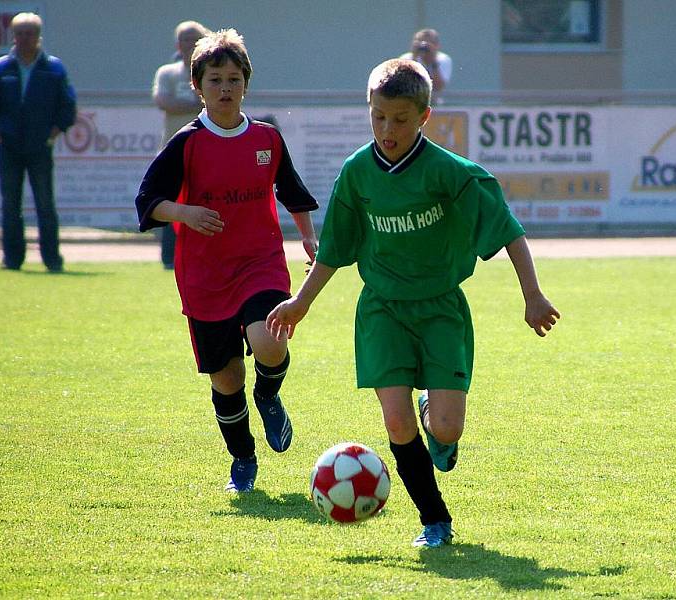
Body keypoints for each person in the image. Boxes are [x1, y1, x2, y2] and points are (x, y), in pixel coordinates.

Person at [266, 59, 559, 548]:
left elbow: (509, 231)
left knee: (446, 427)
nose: (387, 129)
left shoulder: (452, 174)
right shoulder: (358, 173)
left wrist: (533, 296)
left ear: (424, 117)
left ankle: (435, 417)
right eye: (378, 116)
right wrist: (301, 301)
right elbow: (336, 249)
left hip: (442, 309)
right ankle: (434, 520)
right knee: (395, 419)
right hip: (382, 309)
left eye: (400, 119)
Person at [135, 29, 319, 493]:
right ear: (197, 86)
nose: (224, 88)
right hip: (205, 275)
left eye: (233, 79)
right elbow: (147, 200)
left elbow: (292, 192)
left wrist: (309, 238)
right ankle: (243, 458)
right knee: (226, 377)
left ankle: (269, 393)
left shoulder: (267, 138)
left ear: (246, 84)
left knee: (270, 342)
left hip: (260, 262)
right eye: (215, 79)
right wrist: (184, 212)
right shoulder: (187, 142)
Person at [0, 12, 76, 272]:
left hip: (40, 146)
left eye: (30, 33)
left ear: (38, 36)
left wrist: (53, 133)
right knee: (10, 205)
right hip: (9, 146)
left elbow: (67, 105)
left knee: (45, 204)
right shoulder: (0, 68)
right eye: (20, 33)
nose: (25, 38)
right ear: (13, 35)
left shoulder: (54, 67)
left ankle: (52, 260)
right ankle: (12, 259)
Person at [152, 20, 210, 270]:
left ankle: (206, 254)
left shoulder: (211, 71)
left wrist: (182, 104)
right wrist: (197, 105)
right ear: (177, 44)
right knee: (172, 202)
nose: (188, 44)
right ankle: (169, 257)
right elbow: (163, 101)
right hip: (172, 149)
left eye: (193, 39)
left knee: (206, 201)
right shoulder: (167, 73)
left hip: (207, 149)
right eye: (184, 39)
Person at [400, 28, 452, 104]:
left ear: (437, 45)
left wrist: (433, 62)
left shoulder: (443, 59)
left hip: (433, 103)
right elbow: (405, 83)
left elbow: (438, 87)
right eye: (420, 43)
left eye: (429, 44)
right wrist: (414, 59)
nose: (424, 47)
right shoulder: (406, 58)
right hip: (410, 102)